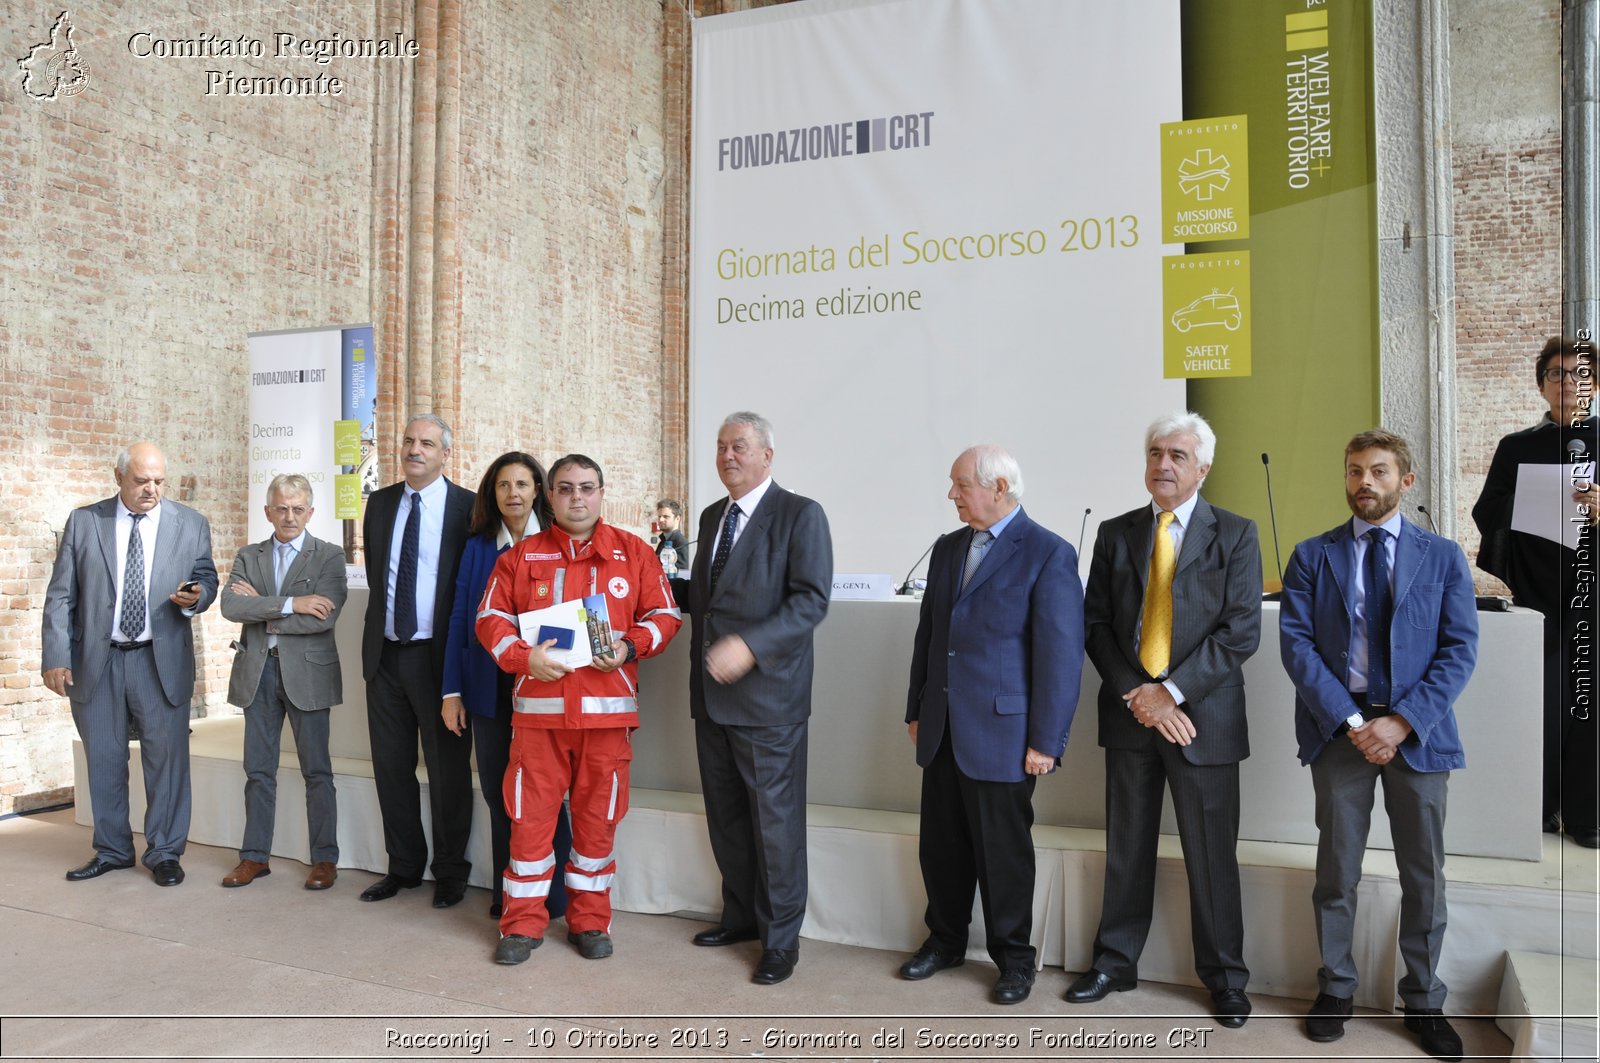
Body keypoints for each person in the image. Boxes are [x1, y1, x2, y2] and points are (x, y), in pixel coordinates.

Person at [1281, 429, 1479, 1061]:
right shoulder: (1314, 555)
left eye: (1379, 471)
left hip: (1417, 736)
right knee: (1336, 870)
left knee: (1424, 875)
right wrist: (1349, 719)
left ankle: (1423, 1000)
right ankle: (1336, 988)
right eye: (1354, 471)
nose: (1364, 482)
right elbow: (1298, 645)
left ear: (1406, 482)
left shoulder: (1443, 557)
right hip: (1340, 733)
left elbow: (1458, 651)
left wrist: (1402, 721)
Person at [1067, 411, 1261, 1028]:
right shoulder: (1118, 533)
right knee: (1126, 848)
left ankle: (1226, 979)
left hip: (1204, 718)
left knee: (1211, 856)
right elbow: (1095, 625)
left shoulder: (1235, 532)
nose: (1164, 465)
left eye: (1178, 455)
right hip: (1131, 717)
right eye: (1156, 453)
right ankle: (1115, 961)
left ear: (1202, 467)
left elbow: (1240, 632)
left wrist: (1171, 694)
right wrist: (1138, 695)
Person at [476, 454, 682, 964]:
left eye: (587, 488)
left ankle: (589, 922)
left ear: (601, 493)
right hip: (539, 719)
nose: (577, 497)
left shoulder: (634, 553)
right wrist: (526, 657)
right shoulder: (520, 557)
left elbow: (665, 614)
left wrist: (631, 646)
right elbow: (490, 618)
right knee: (528, 824)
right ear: (550, 496)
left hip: (607, 722)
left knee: (597, 824)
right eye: (565, 488)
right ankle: (521, 926)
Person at [900, 445, 1083, 1005]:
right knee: (942, 847)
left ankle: (1014, 959)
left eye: (960, 484)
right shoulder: (950, 548)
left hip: (1007, 736)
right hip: (943, 728)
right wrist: (917, 707)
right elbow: (930, 636)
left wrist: (1046, 741)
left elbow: (1060, 656)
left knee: (1003, 855)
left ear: (998, 487)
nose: (952, 494)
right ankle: (946, 940)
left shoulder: (1049, 553)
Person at [687, 412, 832, 987]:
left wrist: (748, 646)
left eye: (739, 447)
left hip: (769, 701)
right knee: (727, 820)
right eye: (721, 447)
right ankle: (742, 917)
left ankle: (780, 942)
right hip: (711, 699)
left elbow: (810, 601)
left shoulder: (800, 515)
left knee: (775, 828)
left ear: (767, 455)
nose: (727, 456)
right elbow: (709, 599)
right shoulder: (710, 516)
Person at [42, 442, 218, 887]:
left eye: (159, 481)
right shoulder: (86, 522)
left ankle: (163, 851)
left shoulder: (191, 524)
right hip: (96, 663)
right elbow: (61, 594)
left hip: (159, 661)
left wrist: (197, 597)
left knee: (166, 761)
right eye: (141, 480)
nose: (151, 489)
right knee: (103, 759)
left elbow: (207, 577)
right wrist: (56, 656)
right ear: (118, 476)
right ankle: (113, 849)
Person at [1471, 335, 1599, 846]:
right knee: (1544, 703)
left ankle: (1588, 815)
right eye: (1556, 375)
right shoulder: (1517, 447)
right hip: (1542, 590)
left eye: (1578, 375)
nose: (1567, 384)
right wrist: (1533, 499)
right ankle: (1540, 807)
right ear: (1541, 384)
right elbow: (1488, 512)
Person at [440, 451, 572, 920]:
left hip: (544, 686)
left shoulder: (560, 543)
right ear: (491, 494)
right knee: (501, 792)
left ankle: (554, 895)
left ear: (539, 490)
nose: (512, 494)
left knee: (547, 788)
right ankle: (508, 891)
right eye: (503, 485)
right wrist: (451, 691)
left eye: (521, 484)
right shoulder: (477, 546)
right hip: (486, 685)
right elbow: (460, 619)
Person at [359, 413, 476, 907]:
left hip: (440, 661)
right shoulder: (381, 503)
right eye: (408, 441)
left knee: (448, 771)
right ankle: (403, 866)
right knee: (391, 767)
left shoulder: (468, 508)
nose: (415, 450)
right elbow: (378, 574)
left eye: (427, 443)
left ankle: (450, 872)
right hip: (385, 656)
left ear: (445, 453)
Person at [218, 474, 347, 890]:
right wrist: (294, 603)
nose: (289, 517)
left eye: (297, 509)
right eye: (281, 508)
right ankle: (254, 857)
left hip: (308, 674)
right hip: (257, 672)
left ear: (310, 512)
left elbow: (322, 618)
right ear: (267, 511)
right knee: (257, 770)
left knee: (317, 771)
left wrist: (262, 607)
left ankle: (325, 859)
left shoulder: (328, 556)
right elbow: (232, 606)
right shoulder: (248, 555)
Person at [654, 498, 690, 575]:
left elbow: (682, 572)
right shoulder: (663, 540)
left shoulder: (681, 542)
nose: (660, 520)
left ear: (677, 518)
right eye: (659, 516)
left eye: (665, 516)